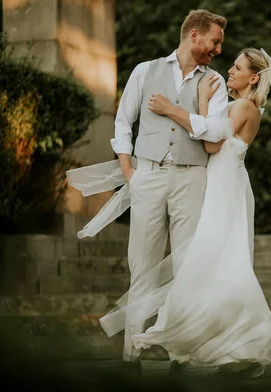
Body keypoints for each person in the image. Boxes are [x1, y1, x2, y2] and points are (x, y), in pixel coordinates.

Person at [96, 47, 271, 378]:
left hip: (224, 189)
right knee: (221, 267)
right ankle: (227, 348)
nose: (230, 72)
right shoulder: (248, 107)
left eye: (237, 68)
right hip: (226, 183)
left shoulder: (243, 107)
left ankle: (242, 343)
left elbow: (211, 145)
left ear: (253, 77)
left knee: (219, 265)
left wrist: (192, 104)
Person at [109, 8, 230, 372]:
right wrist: (128, 169)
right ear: (194, 36)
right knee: (141, 266)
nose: (218, 50)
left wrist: (176, 112)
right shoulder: (145, 71)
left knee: (186, 266)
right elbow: (122, 118)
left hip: (192, 177)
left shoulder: (216, 83)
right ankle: (132, 355)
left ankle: (182, 355)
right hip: (147, 174)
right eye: (214, 41)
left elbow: (214, 132)